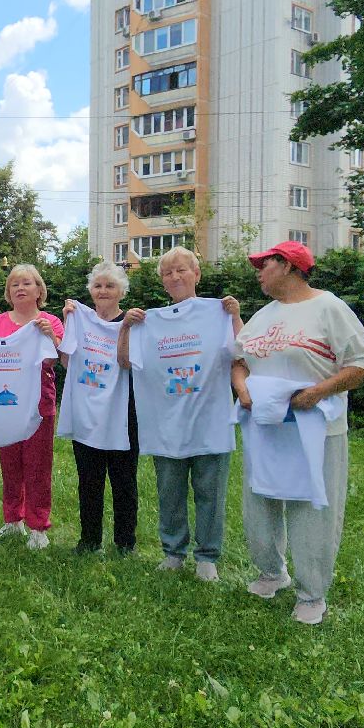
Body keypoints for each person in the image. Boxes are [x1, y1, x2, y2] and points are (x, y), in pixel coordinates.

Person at [232, 240, 364, 625]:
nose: (258, 271)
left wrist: (316, 393)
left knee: (312, 508)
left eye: (265, 264)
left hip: (315, 429)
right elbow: (240, 361)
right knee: (259, 501)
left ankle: (312, 593)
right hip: (266, 425)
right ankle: (271, 573)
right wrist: (243, 389)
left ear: (290, 266)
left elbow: (360, 365)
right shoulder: (263, 315)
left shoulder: (329, 308)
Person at [122, 247, 243, 581]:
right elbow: (127, 362)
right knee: (170, 492)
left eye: (181, 270)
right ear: (162, 281)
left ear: (197, 274)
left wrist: (233, 317)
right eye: (167, 273)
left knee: (211, 494)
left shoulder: (217, 313)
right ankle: (173, 552)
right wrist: (126, 329)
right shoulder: (150, 322)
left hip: (210, 420)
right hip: (166, 424)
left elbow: (241, 351)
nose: (174, 277)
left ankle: (207, 558)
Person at [0, 264, 64, 550]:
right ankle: (12, 519)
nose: (20, 288)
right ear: (8, 292)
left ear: (39, 290)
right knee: (10, 463)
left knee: (38, 466)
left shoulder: (50, 322)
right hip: (5, 405)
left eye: (27, 283)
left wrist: (48, 337)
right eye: (14, 284)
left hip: (40, 404)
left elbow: (54, 359)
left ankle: (38, 526)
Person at [61, 262, 138, 555]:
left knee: (124, 480)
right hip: (86, 411)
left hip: (122, 411)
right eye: (98, 286)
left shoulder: (132, 321)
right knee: (89, 480)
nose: (103, 291)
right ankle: (89, 539)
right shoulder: (79, 319)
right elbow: (68, 363)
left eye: (110, 286)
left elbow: (128, 363)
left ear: (122, 291)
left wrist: (128, 327)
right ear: (90, 291)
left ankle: (125, 542)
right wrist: (66, 320)